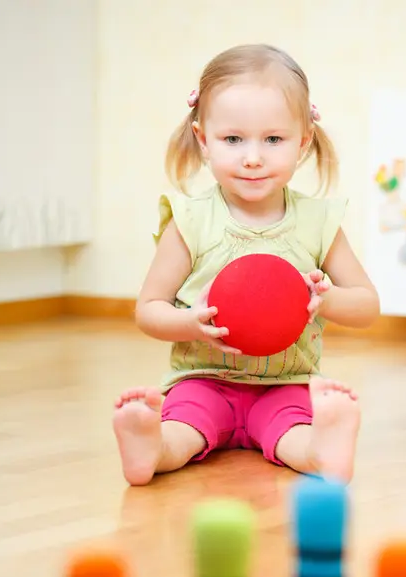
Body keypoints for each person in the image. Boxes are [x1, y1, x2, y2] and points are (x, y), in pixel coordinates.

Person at [113, 43, 380, 487]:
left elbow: (368, 306)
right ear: (203, 139)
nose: (252, 156)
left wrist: (328, 299)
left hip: (286, 383)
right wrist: (189, 323)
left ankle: (322, 452)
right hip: (204, 379)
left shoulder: (319, 223)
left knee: (292, 431)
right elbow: (148, 309)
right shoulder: (191, 221)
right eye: (233, 139)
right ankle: (152, 447)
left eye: (273, 139)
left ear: (303, 141)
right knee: (186, 428)